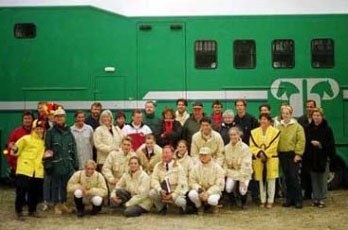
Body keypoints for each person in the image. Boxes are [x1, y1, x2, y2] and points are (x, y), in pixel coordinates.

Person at [44, 108, 79, 215]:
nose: (60, 118)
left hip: (67, 164)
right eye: (57, 117)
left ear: (65, 118)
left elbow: (73, 148)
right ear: (54, 119)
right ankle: (56, 205)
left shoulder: (69, 132)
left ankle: (63, 204)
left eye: (62, 116)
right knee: (55, 185)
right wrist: (48, 164)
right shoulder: (50, 133)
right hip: (55, 164)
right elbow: (47, 149)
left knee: (65, 185)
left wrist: (75, 163)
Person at [11, 119, 45, 220]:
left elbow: (41, 156)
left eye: (41, 129)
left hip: (37, 170)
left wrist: (46, 156)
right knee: (21, 191)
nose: (39, 131)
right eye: (37, 128)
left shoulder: (43, 142)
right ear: (33, 129)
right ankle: (19, 211)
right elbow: (15, 151)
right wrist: (14, 148)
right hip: (24, 168)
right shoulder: (25, 139)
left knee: (34, 192)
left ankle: (32, 210)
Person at [305, 108, 335, 208]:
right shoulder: (308, 128)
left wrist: (320, 144)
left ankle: (322, 199)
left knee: (322, 179)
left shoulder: (327, 129)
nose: (316, 118)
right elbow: (305, 142)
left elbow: (331, 144)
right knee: (314, 179)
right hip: (312, 158)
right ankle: (315, 198)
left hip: (323, 157)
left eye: (318, 115)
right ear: (312, 117)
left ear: (322, 116)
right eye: (314, 116)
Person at [276, 105, 305, 209]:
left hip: (293, 155)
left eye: (287, 113)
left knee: (294, 177)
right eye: (283, 113)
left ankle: (298, 200)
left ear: (291, 114)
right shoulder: (278, 126)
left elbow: (301, 141)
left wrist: (298, 154)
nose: (285, 115)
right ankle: (289, 199)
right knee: (287, 178)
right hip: (282, 154)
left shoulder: (297, 126)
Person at [250, 114, 280, 208]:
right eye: (261, 119)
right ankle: (262, 200)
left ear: (269, 121)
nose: (263, 121)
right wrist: (259, 153)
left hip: (271, 157)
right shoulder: (254, 132)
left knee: (271, 179)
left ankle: (270, 200)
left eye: (265, 119)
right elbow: (252, 146)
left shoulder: (275, 132)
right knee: (260, 180)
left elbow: (274, 145)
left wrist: (265, 154)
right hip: (258, 158)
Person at [149, 145, 188, 215]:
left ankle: (180, 208)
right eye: (163, 153)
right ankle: (161, 208)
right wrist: (159, 190)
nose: (165, 155)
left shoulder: (179, 167)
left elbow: (182, 183)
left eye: (167, 153)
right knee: (152, 193)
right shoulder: (158, 166)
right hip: (163, 191)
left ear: (172, 154)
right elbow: (154, 179)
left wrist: (173, 195)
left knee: (181, 202)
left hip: (175, 191)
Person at [188, 147, 225, 215]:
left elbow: (220, 185)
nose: (203, 157)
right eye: (201, 155)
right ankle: (199, 206)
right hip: (201, 191)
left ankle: (214, 206)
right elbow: (192, 182)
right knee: (192, 194)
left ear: (210, 155)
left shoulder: (217, 168)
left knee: (212, 200)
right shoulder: (195, 167)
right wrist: (200, 190)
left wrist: (208, 193)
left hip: (213, 192)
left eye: (205, 155)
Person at [223, 127, 253, 209]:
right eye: (231, 135)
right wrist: (224, 173)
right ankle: (233, 202)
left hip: (244, 172)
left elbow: (246, 165)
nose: (233, 137)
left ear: (239, 135)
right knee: (228, 188)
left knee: (242, 190)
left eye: (235, 134)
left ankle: (244, 203)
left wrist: (242, 179)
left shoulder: (245, 148)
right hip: (232, 172)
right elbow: (224, 163)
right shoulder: (226, 148)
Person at [298, 99, 316, 199]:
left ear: (314, 107)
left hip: (315, 150)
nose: (309, 108)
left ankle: (316, 193)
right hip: (305, 150)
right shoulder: (301, 119)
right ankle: (307, 193)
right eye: (308, 107)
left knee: (315, 172)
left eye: (311, 106)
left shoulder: (317, 118)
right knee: (305, 173)